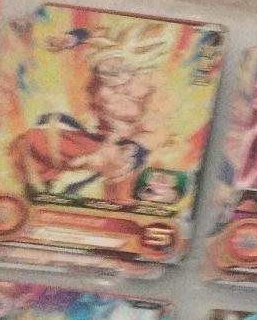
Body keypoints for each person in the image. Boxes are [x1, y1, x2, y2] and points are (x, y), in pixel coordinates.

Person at [10, 19, 174, 202]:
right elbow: (93, 35)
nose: (107, 77)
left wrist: (132, 154)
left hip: (128, 150)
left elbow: (156, 131)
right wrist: (71, 39)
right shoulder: (108, 51)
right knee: (31, 141)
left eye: (115, 70)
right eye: (102, 70)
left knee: (120, 193)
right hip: (98, 140)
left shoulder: (153, 85)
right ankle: (38, 195)